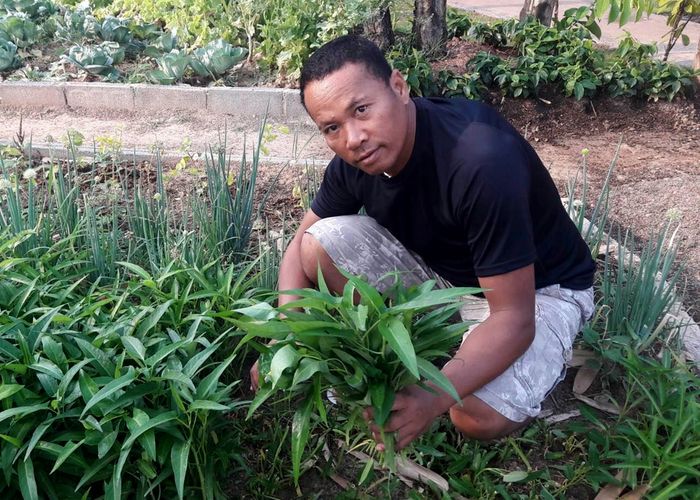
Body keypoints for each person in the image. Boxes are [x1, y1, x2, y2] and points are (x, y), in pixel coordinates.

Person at [251, 34, 596, 450]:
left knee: (473, 414)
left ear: (399, 87)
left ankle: (464, 363)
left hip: (538, 293)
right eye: (332, 127)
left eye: (361, 110)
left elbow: (514, 319)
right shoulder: (357, 159)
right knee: (317, 245)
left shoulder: (480, 161)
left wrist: (429, 399)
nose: (353, 137)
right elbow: (299, 244)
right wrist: (289, 333)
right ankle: (450, 347)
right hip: (445, 277)